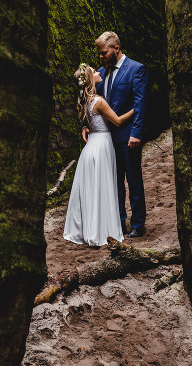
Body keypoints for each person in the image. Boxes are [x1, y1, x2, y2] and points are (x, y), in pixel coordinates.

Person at [83, 31, 148, 238]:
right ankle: (119, 222)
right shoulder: (102, 72)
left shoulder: (136, 69)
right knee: (115, 182)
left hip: (129, 137)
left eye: (104, 53)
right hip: (107, 138)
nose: (101, 57)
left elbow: (140, 104)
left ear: (116, 49)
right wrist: (87, 124)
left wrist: (136, 133)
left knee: (134, 180)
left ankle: (138, 223)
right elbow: (93, 100)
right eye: (100, 54)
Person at [64, 63, 134, 247]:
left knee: (93, 190)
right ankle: (100, 230)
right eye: (94, 72)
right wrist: (136, 109)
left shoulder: (84, 101)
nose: (98, 72)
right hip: (102, 145)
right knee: (103, 187)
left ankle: (90, 228)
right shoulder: (99, 101)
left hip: (90, 148)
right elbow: (117, 121)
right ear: (89, 79)